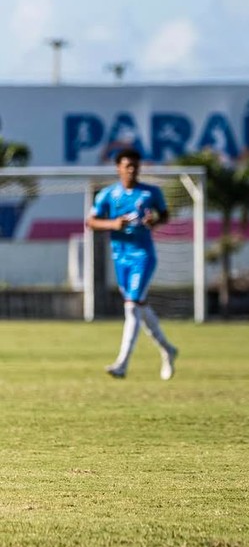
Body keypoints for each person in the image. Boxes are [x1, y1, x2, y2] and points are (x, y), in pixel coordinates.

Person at [86, 148, 179, 381]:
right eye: (127, 165)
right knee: (139, 307)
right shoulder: (108, 194)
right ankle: (168, 349)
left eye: (135, 166)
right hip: (120, 257)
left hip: (143, 255)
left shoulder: (151, 193)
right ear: (118, 167)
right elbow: (91, 222)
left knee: (131, 306)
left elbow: (165, 216)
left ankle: (122, 364)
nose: (132, 169)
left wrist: (154, 221)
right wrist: (113, 224)